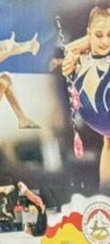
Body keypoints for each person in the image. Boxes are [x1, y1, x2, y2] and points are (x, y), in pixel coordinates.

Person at [61, 5, 110, 190]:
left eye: (109, 35)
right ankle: (106, 200)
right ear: (89, 32)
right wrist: (71, 57)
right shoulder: (83, 59)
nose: (105, 41)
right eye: (99, 35)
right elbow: (68, 50)